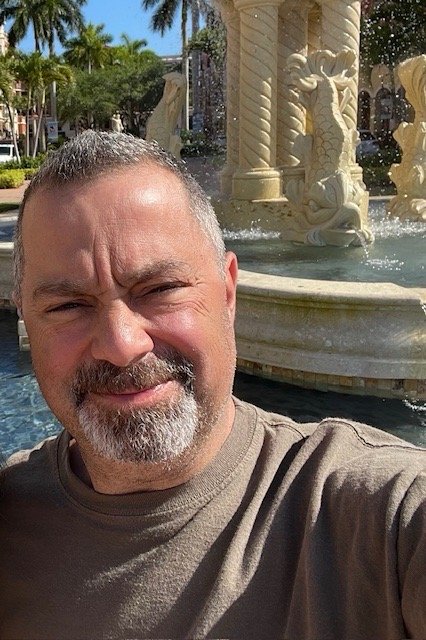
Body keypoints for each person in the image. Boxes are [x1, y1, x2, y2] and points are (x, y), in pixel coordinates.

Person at [0, 131, 424, 640]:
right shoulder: (10, 517)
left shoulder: (374, 513)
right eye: (68, 306)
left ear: (227, 293)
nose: (121, 344)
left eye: (160, 289)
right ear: (25, 317)